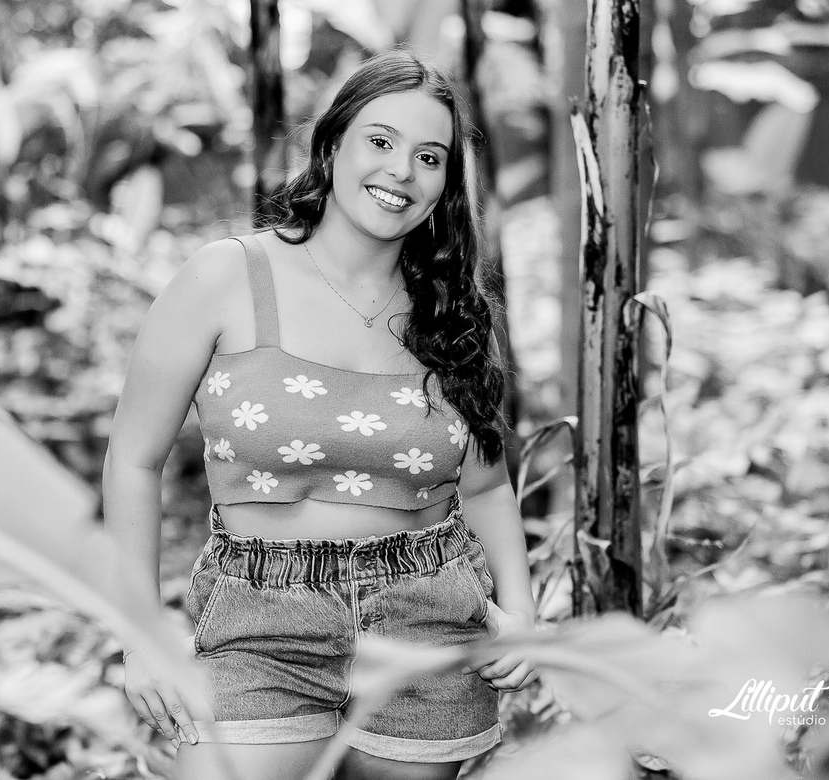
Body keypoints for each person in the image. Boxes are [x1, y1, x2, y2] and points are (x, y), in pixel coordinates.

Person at [102, 49, 537, 780]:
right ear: (331, 147)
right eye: (380, 141)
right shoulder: (226, 277)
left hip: (427, 621)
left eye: (429, 157)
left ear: (445, 185)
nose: (402, 171)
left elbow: (488, 487)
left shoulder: (456, 316)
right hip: (259, 621)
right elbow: (133, 461)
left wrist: (521, 617)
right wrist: (140, 634)